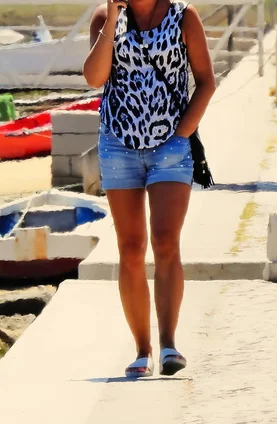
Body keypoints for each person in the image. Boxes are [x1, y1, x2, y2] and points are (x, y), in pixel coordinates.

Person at [83, 0, 215, 377]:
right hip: (118, 146)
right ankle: (142, 350)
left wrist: (182, 134)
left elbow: (205, 80)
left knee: (166, 242)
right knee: (130, 248)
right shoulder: (104, 17)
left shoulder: (183, 15)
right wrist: (111, 17)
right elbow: (95, 78)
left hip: (170, 147)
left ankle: (169, 344)